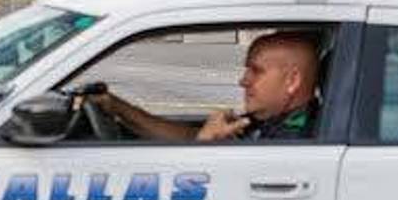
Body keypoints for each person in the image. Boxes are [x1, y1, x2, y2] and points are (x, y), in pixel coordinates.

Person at [90, 31, 322, 142]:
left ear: (292, 81)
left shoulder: (294, 139)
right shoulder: (271, 120)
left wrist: (205, 145)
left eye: (256, 71)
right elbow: (188, 136)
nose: (243, 81)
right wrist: (116, 107)